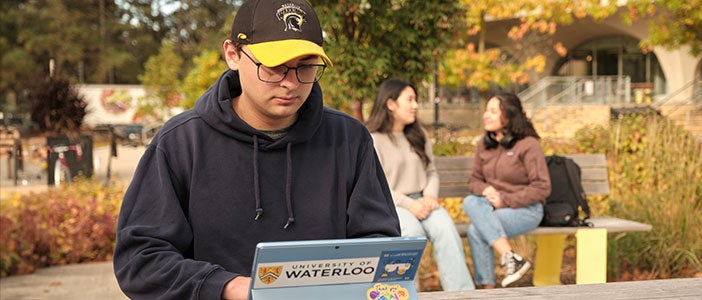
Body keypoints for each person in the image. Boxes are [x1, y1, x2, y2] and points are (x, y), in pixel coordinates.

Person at [113, 1, 401, 299]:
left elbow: (380, 242)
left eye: (306, 67)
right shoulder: (181, 143)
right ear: (233, 55)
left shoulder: (349, 139)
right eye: (275, 67)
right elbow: (140, 261)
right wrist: (227, 287)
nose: (291, 83)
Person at [366, 78, 475, 291]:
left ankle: (462, 293)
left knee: (446, 229)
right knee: (412, 232)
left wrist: (430, 197)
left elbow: (431, 172)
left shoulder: (418, 135)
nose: (415, 105)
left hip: (424, 202)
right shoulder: (373, 139)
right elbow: (377, 186)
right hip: (393, 206)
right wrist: (410, 204)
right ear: (391, 104)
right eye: (410, 99)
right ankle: (405, 293)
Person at [462, 91, 551, 288]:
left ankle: (488, 290)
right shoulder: (484, 145)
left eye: (493, 111)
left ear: (509, 116)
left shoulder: (528, 145)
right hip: (492, 209)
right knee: (470, 201)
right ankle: (510, 258)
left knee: (476, 231)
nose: (486, 115)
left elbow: (542, 187)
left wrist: (505, 201)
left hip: (526, 210)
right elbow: (474, 180)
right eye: (487, 110)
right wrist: (486, 190)